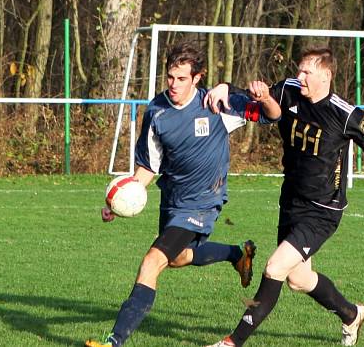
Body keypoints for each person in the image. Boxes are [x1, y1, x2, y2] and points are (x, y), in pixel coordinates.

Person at [85, 42, 281, 347]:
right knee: (176, 259)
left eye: (181, 79)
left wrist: (258, 95)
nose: (174, 85)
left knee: (152, 261)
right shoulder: (157, 112)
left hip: (205, 200)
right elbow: (148, 167)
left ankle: (114, 341)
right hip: (173, 199)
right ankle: (236, 254)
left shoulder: (217, 104)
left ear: (197, 77)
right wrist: (119, 199)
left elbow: (272, 115)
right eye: (170, 77)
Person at [204, 47, 364, 347]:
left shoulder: (346, 114)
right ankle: (352, 314)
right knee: (298, 280)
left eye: (307, 72)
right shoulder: (288, 90)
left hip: (323, 210)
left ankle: (233, 342)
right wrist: (225, 88)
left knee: (274, 268)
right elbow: (254, 96)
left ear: (326, 75)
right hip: (291, 201)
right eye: (299, 70)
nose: (300, 77)